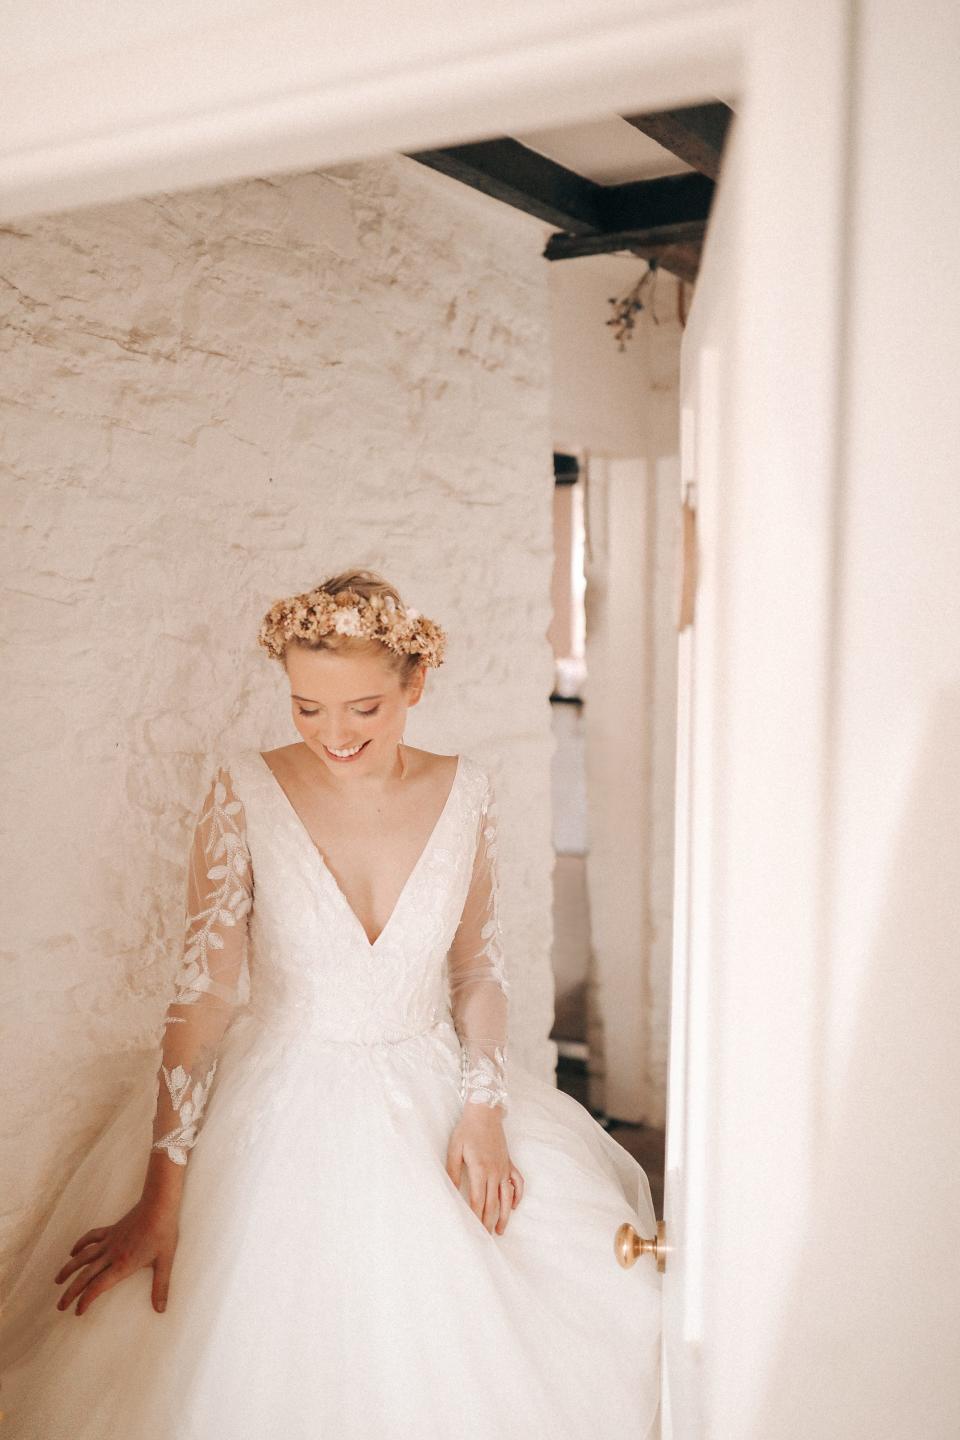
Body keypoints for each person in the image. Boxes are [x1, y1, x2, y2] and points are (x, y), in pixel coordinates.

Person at [0, 569, 662, 1439]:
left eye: (363, 709)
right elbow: (200, 1002)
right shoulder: (244, 792)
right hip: (275, 1108)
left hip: (433, 1090)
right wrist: (161, 1201)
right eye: (307, 707)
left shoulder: (467, 791)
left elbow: (477, 970)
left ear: (415, 685)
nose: (332, 734)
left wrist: (485, 1110)